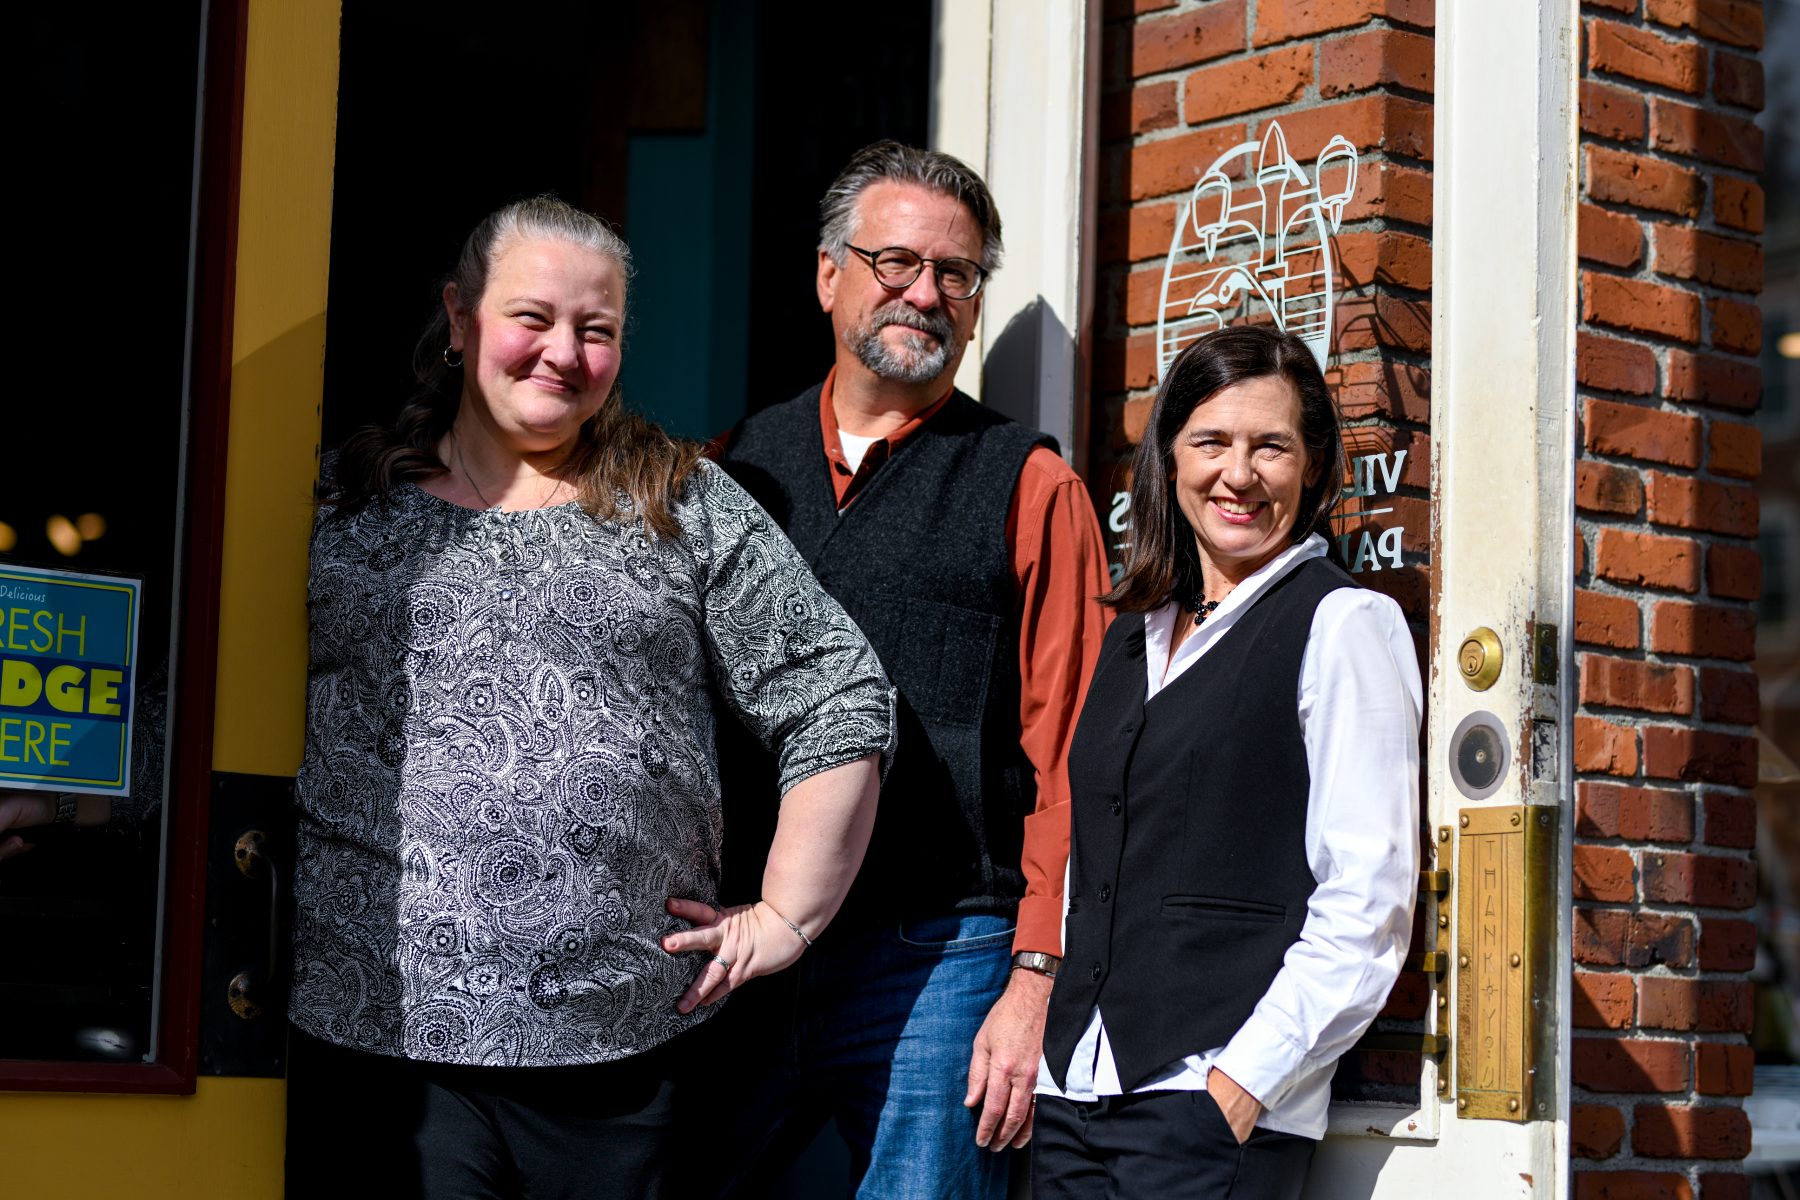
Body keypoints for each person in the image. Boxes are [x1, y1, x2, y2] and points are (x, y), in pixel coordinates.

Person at [285, 196, 892, 1200]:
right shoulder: (347, 502)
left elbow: (835, 689)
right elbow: (219, 688)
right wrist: (66, 792)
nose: (562, 352)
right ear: (462, 316)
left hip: (615, 1057)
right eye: (533, 317)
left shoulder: (679, 501)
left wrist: (786, 915)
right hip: (380, 1041)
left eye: (596, 329)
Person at [703, 141, 1112, 1198]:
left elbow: (1075, 754)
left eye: (957, 274)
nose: (925, 294)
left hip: (937, 957)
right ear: (830, 273)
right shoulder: (726, 469)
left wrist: (1035, 977)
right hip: (735, 946)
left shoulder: (1029, 483)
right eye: (896, 263)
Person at [1033, 325, 1421, 1199]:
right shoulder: (1131, 635)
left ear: (1313, 468)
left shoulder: (1344, 625)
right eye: (1210, 442)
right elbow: (1088, 864)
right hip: (1073, 1097)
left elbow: (1371, 895)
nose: (1237, 475)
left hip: (1205, 1111)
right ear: (1171, 460)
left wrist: (1245, 1081)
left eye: (1271, 447)